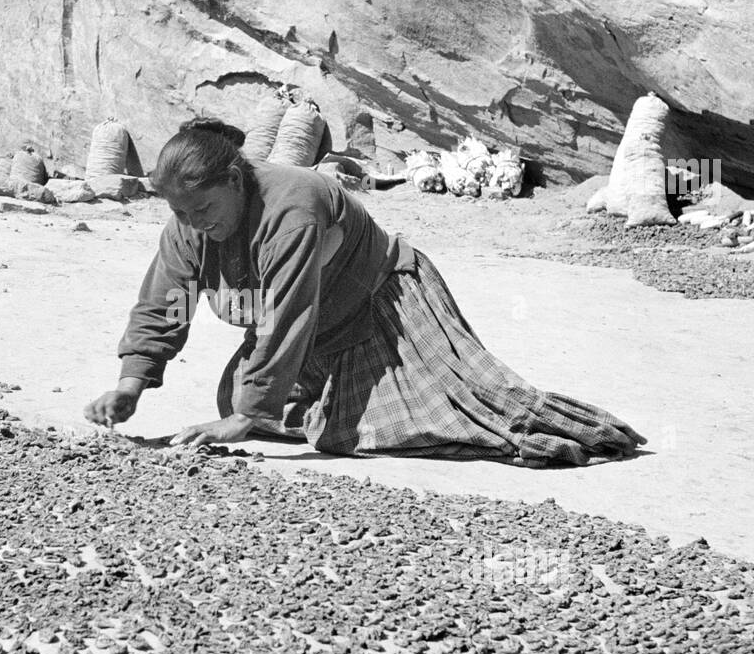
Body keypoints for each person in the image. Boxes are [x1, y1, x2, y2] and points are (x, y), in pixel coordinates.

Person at [84, 118, 646, 466]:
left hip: (385, 303)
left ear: (233, 181)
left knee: (428, 420)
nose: (194, 223)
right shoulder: (190, 218)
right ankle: (317, 400)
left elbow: (285, 312)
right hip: (318, 321)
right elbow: (166, 298)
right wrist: (132, 383)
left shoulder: (293, 206)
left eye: (202, 210)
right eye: (182, 213)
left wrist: (250, 415)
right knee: (236, 404)